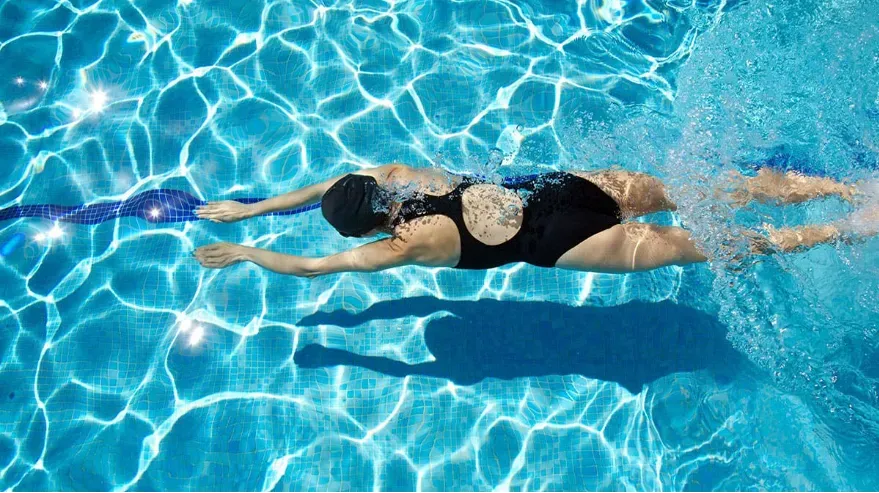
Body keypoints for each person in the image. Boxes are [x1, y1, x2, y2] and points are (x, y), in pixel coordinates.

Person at [193, 165, 872, 276]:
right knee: (712, 188)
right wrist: (258, 205)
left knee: (723, 246)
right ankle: (848, 187)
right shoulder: (403, 177)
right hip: (566, 185)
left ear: (365, 228)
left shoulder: (401, 247)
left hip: (562, 238)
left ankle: (853, 226)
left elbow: (312, 268)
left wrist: (247, 247)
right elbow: (330, 183)